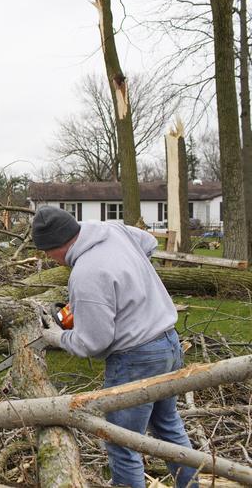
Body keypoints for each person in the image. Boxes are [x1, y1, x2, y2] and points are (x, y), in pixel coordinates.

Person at [31, 205, 198, 488]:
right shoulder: (112, 230)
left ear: (56, 245)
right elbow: (149, 242)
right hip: (169, 343)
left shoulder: (86, 274)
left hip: (135, 358)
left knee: (122, 443)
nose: (49, 258)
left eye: (47, 252)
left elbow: (93, 342)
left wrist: (55, 337)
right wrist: (127, 282)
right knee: (168, 427)